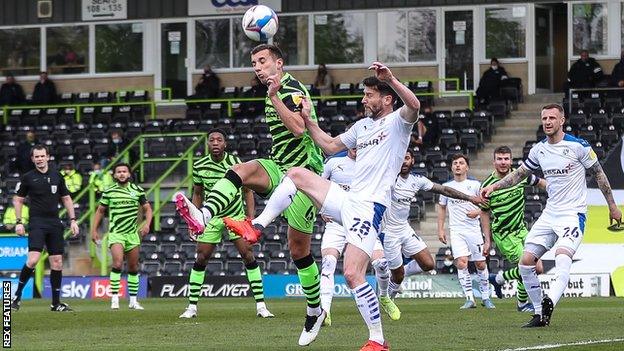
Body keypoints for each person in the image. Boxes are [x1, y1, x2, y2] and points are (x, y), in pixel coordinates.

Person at [223, 62, 422, 351]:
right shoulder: (362, 126)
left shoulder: (399, 122)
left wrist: (390, 78)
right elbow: (329, 145)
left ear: (387, 98)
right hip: (349, 198)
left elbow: (414, 105)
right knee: (296, 173)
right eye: (364, 94)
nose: (363, 99)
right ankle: (255, 228)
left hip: (370, 207)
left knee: (353, 274)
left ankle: (377, 339)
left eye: (369, 95)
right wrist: (308, 120)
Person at [174, 44, 325, 347]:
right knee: (241, 170)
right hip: (279, 166)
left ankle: (314, 309)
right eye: (254, 62)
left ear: (279, 63)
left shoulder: (292, 89)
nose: (257, 67)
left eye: (262, 61)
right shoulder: (272, 87)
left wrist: (273, 96)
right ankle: (204, 215)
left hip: (305, 175)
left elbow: (298, 128)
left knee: (298, 251)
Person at [481, 103, 622, 328]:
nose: (547, 122)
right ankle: (539, 314)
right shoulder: (539, 150)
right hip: (549, 214)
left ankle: (550, 301)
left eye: (552, 118)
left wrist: (612, 207)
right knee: (526, 262)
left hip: (572, 215)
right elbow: (518, 175)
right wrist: (494, 187)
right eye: (544, 118)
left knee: (562, 257)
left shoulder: (578, 146)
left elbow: (599, 174)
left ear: (562, 120)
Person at [178, 129, 274, 319]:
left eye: (219, 140)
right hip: (211, 219)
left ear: (225, 144)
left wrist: (251, 218)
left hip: (235, 215)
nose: (215, 142)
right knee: (201, 258)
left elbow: (247, 192)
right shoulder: (199, 165)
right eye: (211, 140)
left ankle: (261, 306)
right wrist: (194, 220)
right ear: (207, 144)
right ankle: (191, 307)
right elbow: (198, 194)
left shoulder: (236, 164)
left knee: (248, 255)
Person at [382, 150, 482, 302]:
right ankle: (388, 300)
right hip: (388, 231)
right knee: (398, 275)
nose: (404, 162)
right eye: (401, 158)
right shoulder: (386, 179)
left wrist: (469, 198)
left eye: (407, 158)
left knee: (429, 264)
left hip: (405, 229)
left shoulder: (416, 180)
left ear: (412, 161)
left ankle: (395, 281)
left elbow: (444, 190)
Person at [318, 148, 399, 325]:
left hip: (361, 221)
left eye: (360, 144)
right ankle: (324, 311)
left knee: (381, 264)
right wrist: (320, 208)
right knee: (329, 263)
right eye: (353, 144)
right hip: (336, 223)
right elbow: (317, 186)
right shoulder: (333, 164)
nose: (357, 147)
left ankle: (384, 297)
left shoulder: (372, 166)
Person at [11, 145, 80, 311]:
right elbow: (18, 200)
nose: (40, 159)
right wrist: (19, 222)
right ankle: (17, 295)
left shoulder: (57, 176)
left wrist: (73, 220)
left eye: (42, 156)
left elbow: (67, 199)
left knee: (57, 262)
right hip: (36, 222)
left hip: (54, 223)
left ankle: (56, 304)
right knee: (33, 259)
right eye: (37, 157)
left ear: (48, 157)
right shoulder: (28, 177)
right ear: (32, 159)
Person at [479, 146, 547, 312]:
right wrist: (487, 241)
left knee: (538, 268)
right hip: (505, 235)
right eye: (500, 159)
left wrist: (559, 190)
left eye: (506, 159)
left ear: (511, 160)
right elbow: (484, 213)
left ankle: (500, 280)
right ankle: (520, 301)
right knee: (532, 267)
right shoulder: (487, 185)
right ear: (494, 161)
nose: (503, 162)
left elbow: (540, 183)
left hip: (521, 230)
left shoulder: (520, 175)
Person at [437, 154, 495, 310]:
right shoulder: (446, 187)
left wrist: (476, 212)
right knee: (461, 262)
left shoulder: (475, 185)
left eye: (461, 163)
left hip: (473, 230)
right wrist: (441, 229)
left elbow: (486, 206)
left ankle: (486, 297)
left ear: (467, 167)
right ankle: (469, 298)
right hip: (456, 230)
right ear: (451, 167)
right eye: (455, 163)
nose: (457, 165)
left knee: (480, 263)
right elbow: (442, 207)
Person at [91, 163, 152, 310]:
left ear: (129, 174)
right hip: (116, 233)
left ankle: (133, 301)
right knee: (117, 263)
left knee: (133, 267)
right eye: (118, 172)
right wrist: (93, 230)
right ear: (114, 175)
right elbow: (100, 211)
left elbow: (148, 209)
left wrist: (147, 224)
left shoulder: (137, 191)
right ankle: (115, 299)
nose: (122, 174)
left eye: (124, 171)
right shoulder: (109, 191)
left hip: (132, 234)